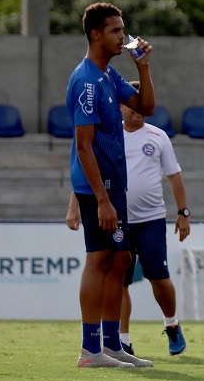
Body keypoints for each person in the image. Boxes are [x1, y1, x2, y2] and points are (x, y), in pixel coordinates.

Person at [66, 80, 190, 358]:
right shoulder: (109, 136)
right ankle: (121, 340)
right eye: (134, 105)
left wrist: (183, 213)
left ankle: (172, 324)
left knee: (159, 277)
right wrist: (74, 206)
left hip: (151, 219)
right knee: (118, 278)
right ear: (121, 106)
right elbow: (88, 171)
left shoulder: (158, 136)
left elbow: (175, 177)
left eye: (143, 106)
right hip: (118, 219)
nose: (139, 111)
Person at [67, 2, 156, 368]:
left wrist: (143, 67)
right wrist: (102, 200)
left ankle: (111, 344)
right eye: (116, 31)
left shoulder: (108, 75)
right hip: (97, 188)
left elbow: (146, 107)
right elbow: (83, 145)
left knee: (120, 260)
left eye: (123, 30)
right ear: (95, 34)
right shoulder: (86, 80)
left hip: (115, 184)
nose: (124, 36)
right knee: (100, 259)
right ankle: (90, 351)